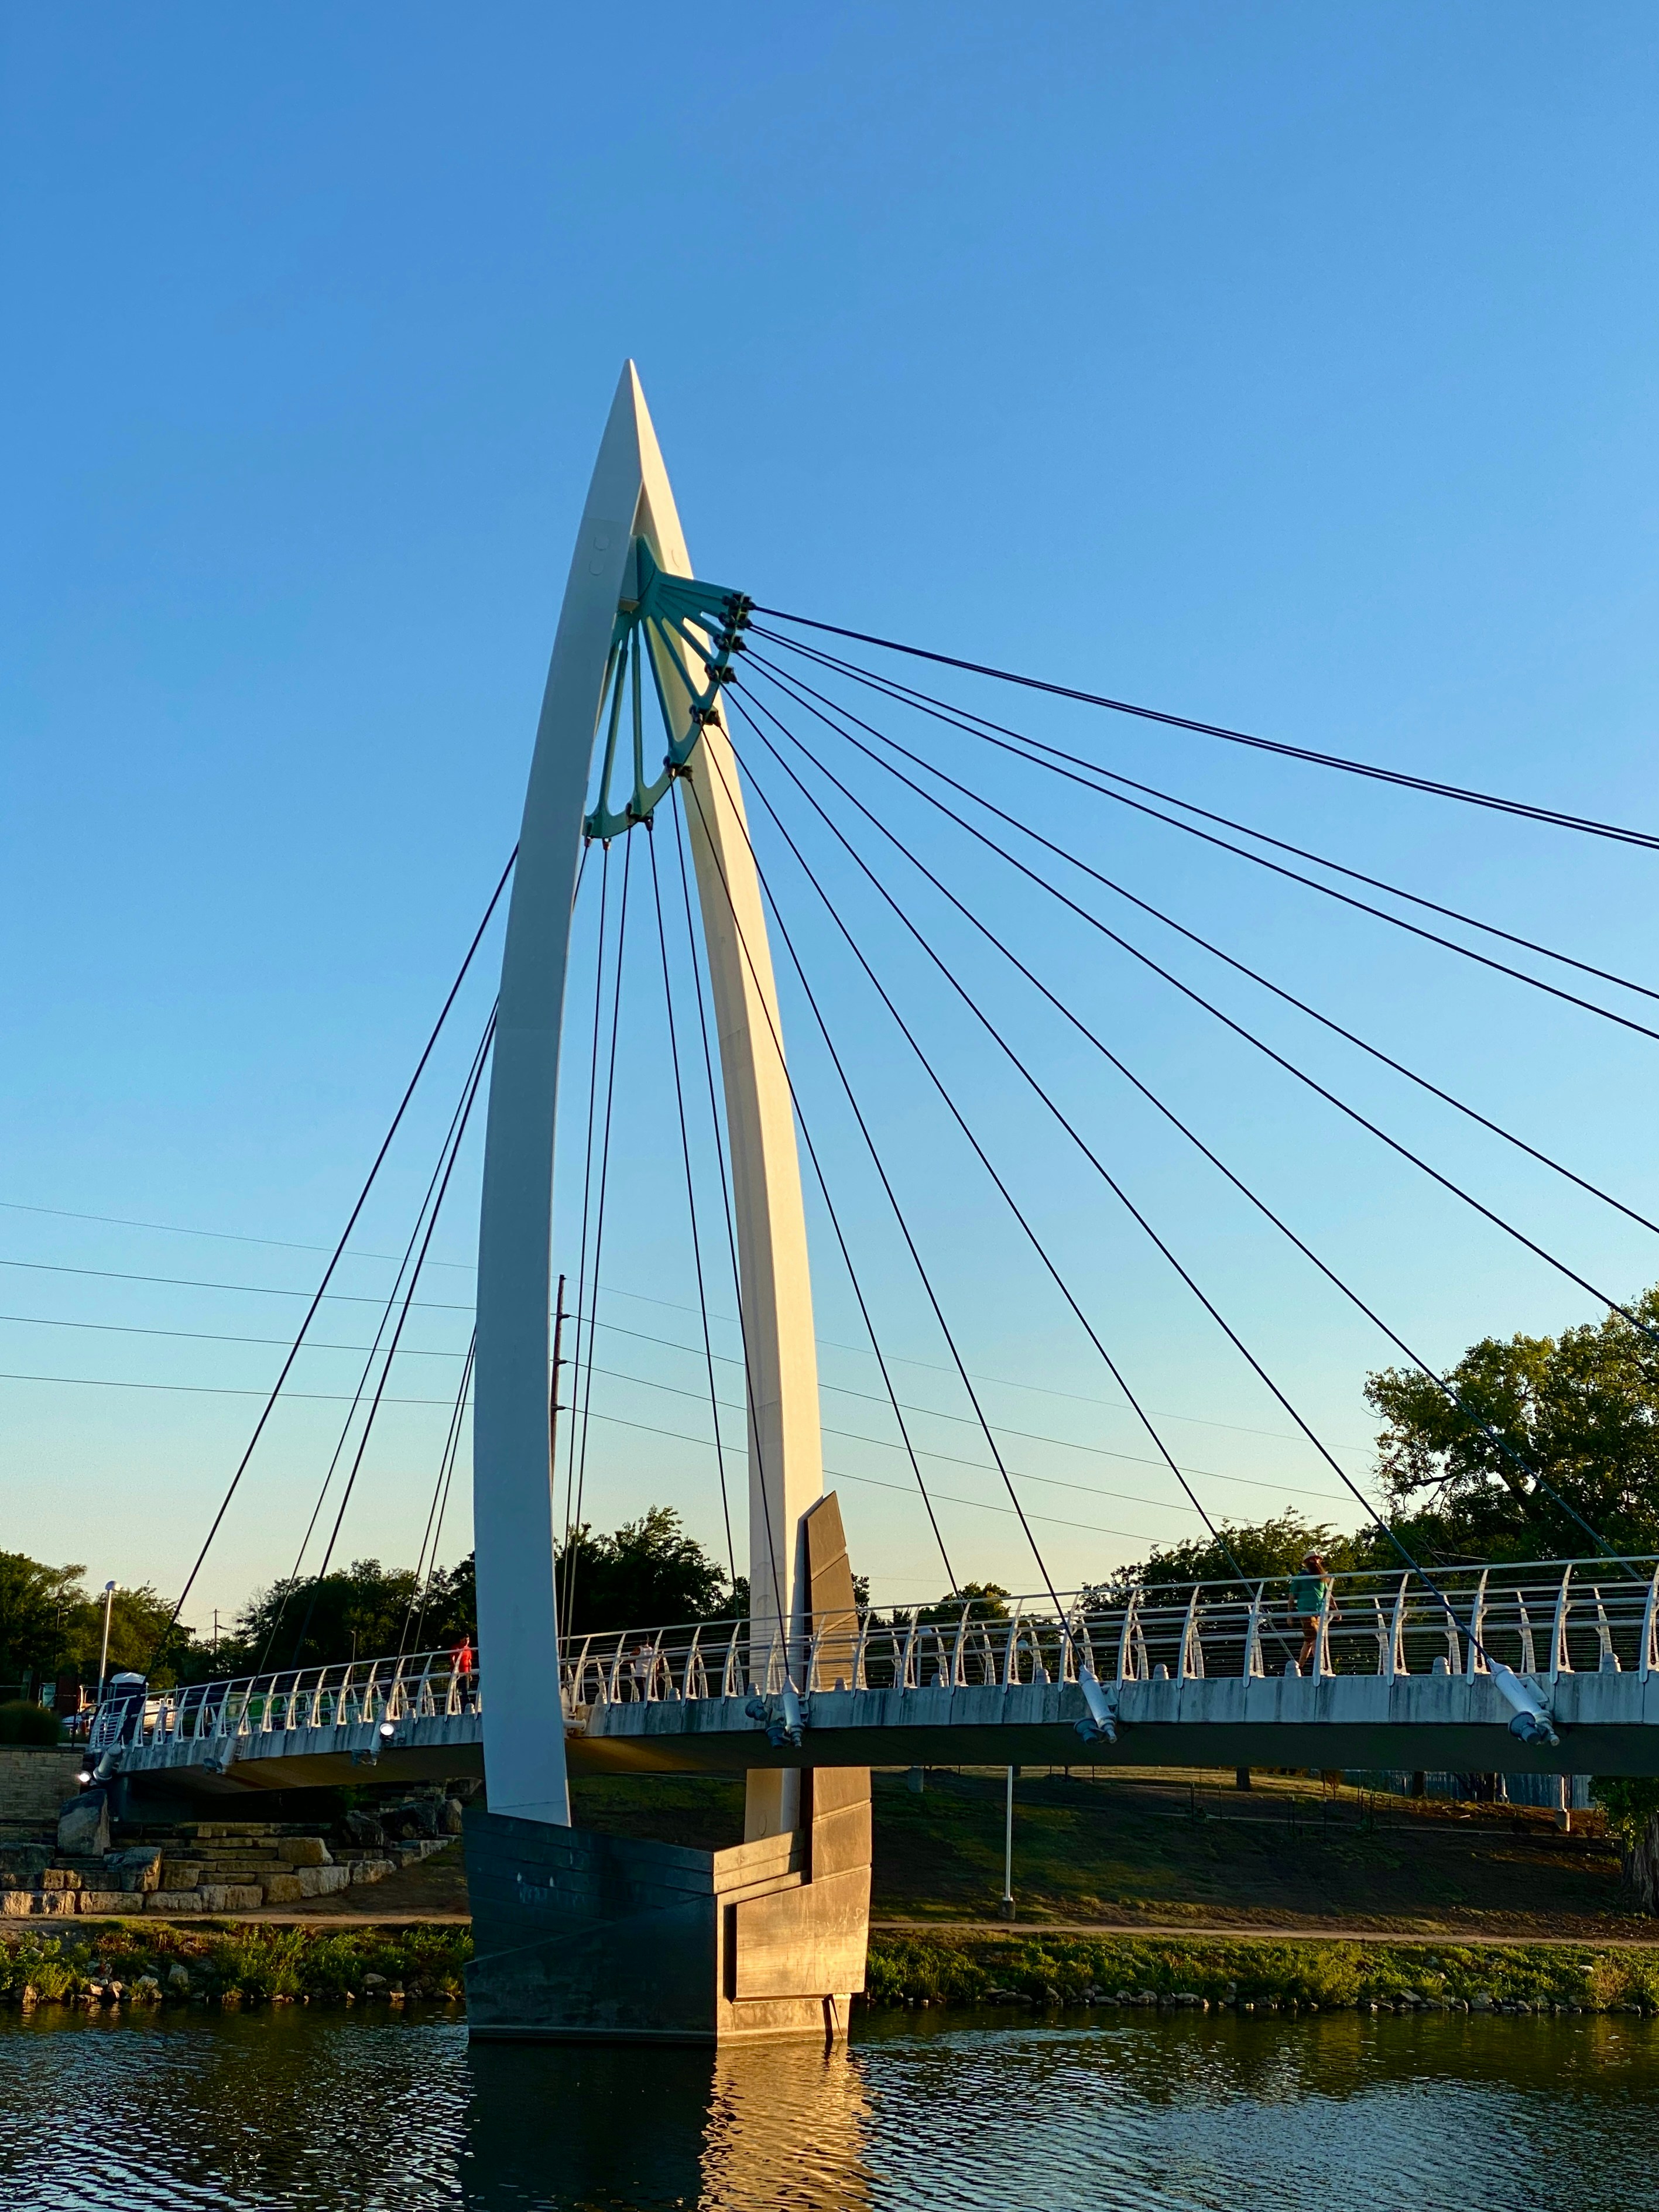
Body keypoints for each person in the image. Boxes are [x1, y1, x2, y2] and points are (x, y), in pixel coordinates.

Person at [1288, 1552, 1337, 1674]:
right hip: (1305, 1612)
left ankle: (1300, 1667)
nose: (1316, 1561)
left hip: (1319, 1613)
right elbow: (1292, 1595)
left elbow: (1328, 1594)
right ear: (1308, 1562)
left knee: (1309, 1641)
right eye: (1313, 1559)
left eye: (1317, 1559)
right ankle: (1319, 1668)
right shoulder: (1302, 1576)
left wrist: (1336, 1609)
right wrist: (1290, 1614)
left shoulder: (1322, 1578)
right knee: (1316, 1638)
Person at [451, 1634, 475, 1712]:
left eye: (468, 1640)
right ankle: (454, 1708)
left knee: (465, 1690)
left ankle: (466, 1706)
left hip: (466, 1673)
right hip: (457, 1674)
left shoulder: (468, 1649)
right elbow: (453, 1659)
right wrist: (456, 1669)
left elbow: (469, 1661)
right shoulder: (456, 1647)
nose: (466, 1642)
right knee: (454, 1690)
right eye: (465, 1640)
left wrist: (470, 1673)